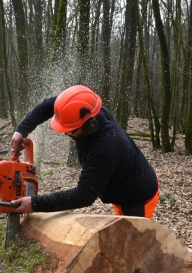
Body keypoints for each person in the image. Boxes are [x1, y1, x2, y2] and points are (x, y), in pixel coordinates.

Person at [10, 85, 160, 218]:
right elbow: (52, 106)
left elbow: (84, 196)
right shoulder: (88, 107)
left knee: (134, 245)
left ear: (90, 126)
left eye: (70, 131)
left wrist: (35, 204)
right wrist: (22, 130)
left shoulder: (105, 147)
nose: (66, 134)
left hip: (139, 197)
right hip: (122, 187)